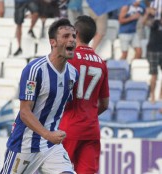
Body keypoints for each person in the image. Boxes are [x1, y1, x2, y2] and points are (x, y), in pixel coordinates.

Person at [0, 18, 78, 174]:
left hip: (51, 146)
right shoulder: (35, 70)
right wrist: (48, 134)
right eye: (66, 36)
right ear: (53, 42)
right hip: (25, 144)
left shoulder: (72, 73)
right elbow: (24, 112)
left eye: (74, 36)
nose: (72, 40)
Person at [59, 15, 109, 173]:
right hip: (91, 129)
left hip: (68, 128)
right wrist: (89, 115)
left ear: (76, 33)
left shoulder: (69, 59)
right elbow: (105, 104)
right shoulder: (101, 63)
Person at [143, 0, 162, 103]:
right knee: (154, 75)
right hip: (153, 50)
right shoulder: (155, 23)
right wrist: (147, 12)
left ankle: (160, 96)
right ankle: (152, 95)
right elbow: (144, 22)